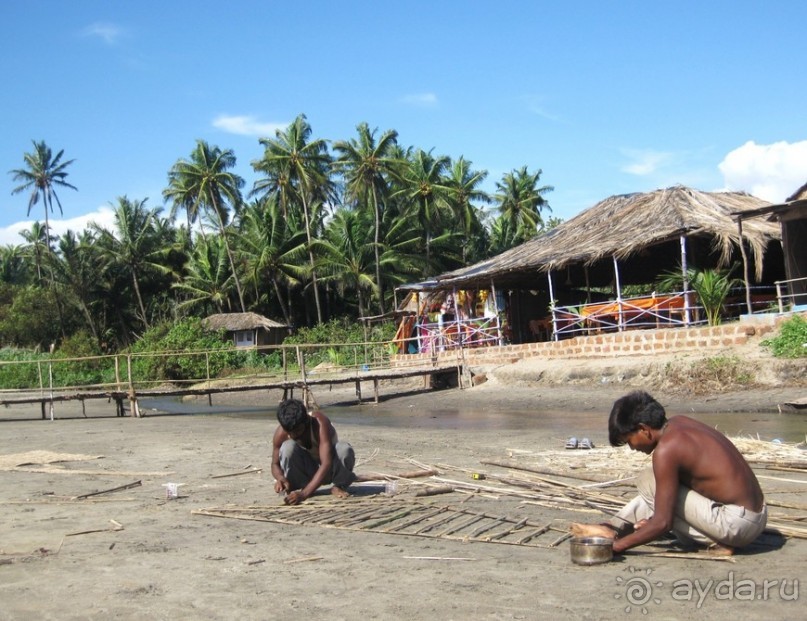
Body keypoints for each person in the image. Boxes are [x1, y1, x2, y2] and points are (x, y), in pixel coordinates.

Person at [571, 390, 767, 555]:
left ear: (644, 430)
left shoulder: (666, 450)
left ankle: (715, 541)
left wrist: (616, 548)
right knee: (658, 484)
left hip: (738, 525)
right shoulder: (679, 423)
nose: (632, 448)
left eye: (629, 440)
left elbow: (663, 522)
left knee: (648, 481)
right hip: (755, 516)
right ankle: (612, 526)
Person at [271, 399, 356, 505]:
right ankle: (301, 485)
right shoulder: (282, 433)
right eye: (289, 432)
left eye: (297, 431)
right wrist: (280, 478)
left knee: (344, 449)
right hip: (307, 473)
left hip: (330, 471)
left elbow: (326, 464)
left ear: (306, 421)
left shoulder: (319, 423)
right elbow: (275, 464)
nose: (293, 435)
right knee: (287, 447)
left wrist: (304, 495)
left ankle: (339, 485)